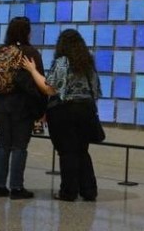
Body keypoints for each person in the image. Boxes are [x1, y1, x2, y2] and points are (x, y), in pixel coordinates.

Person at [21, 29, 101, 202]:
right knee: (82, 151)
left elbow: (49, 88)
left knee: (67, 152)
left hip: (65, 111)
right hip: (86, 111)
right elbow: (95, 91)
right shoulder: (88, 64)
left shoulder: (62, 62)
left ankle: (68, 191)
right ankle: (89, 191)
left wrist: (32, 70)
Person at [0, 16, 45, 199]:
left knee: (2, 144)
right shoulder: (30, 53)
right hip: (22, 105)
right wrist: (42, 109)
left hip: (0, 103)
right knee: (19, 146)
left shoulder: (2, 50)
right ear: (27, 32)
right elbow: (40, 82)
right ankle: (16, 188)